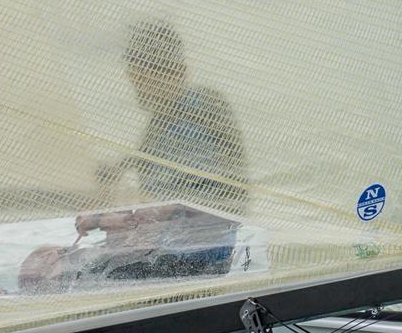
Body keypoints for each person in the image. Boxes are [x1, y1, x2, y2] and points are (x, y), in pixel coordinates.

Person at [19, 20, 249, 292]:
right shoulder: (163, 120)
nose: (137, 89)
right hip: (176, 247)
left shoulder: (196, 114)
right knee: (50, 263)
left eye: (144, 81)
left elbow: (199, 198)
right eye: (134, 78)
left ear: (177, 72)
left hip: (194, 257)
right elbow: (147, 180)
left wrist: (107, 219)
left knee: (58, 278)